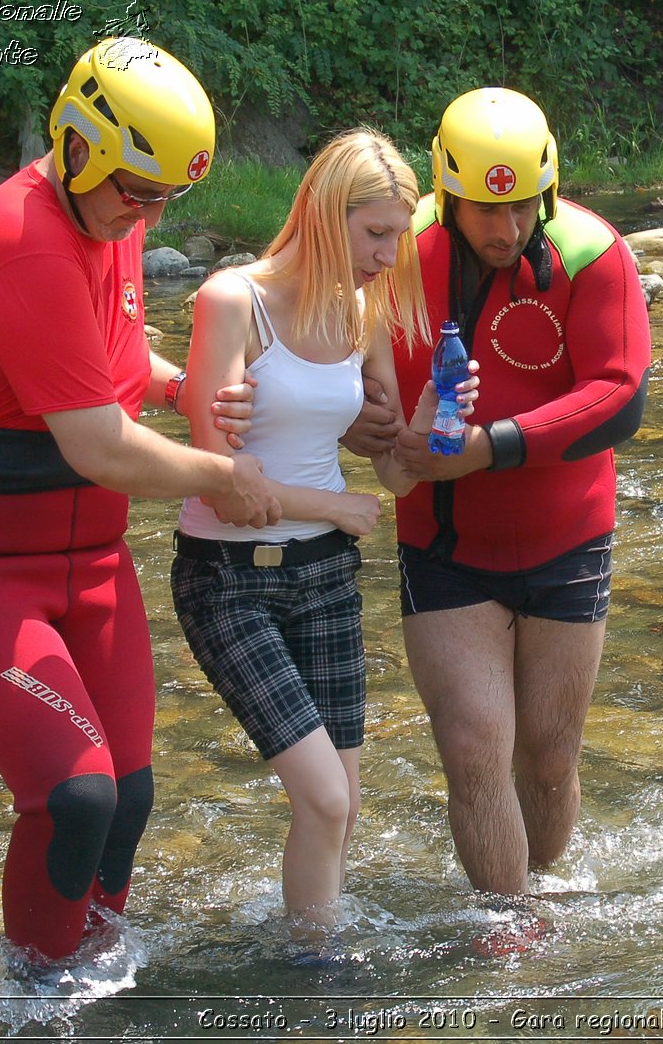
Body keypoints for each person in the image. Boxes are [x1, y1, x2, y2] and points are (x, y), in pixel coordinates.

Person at [0, 37, 282, 970]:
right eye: (139, 190)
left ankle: (94, 965)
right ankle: (32, 1000)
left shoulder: (107, 218)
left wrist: (183, 389)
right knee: (73, 796)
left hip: (85, 552)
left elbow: (111, 367)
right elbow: (95, 443)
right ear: (77, 143)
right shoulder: (21, 238)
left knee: (127, 795)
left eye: (170, 198)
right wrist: (222, 475)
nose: (151, 216)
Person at [346, 87, 651, 899]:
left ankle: (545, 898)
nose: (505, 229)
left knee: (549, 760)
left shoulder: (592, 253)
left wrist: (489, 450)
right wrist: (362, 420)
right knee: (476, 749)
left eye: (521, 207)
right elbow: (321, 346)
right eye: (485, 208)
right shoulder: (392, 251)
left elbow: (621, 393)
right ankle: (505, 933)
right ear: (447, 191)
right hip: (444, 550)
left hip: (567, 541)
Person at [170, 130, 468, 938]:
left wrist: (437, 415)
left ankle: (315, 953)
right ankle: (313, 972)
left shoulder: (365, 314)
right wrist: (335, 506)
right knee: (326, 797)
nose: (387, 255)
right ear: (322, 215)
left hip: (327, 577)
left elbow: (395, 478)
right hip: (230, 581)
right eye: (375, 233)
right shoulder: (233, 301)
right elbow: (225, 489)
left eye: (398, 236)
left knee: (344, 803)